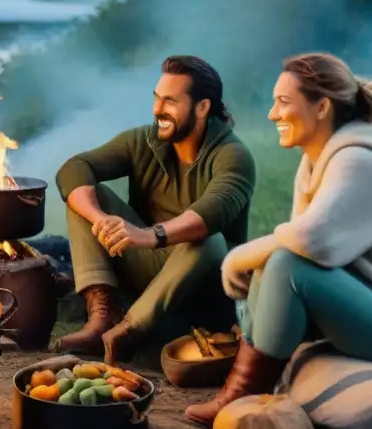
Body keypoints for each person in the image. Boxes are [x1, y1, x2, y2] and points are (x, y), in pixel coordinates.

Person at [185, 53, 372, 428]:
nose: (272, 114)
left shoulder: (359, 162)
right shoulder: (317, 160)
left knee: (287, 263)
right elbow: (305, 244)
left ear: (322, 107)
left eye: (284, 102)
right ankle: (246, 380)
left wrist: (237, 259)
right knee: (275, 262)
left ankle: (246, 391)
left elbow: (311, 243)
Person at [53, 55, 257, 364]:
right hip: (149, 266)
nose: (158, 109)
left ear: (202, 107)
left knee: (208, 237)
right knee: (87, 196)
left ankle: (130, 332)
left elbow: (213, 212)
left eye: (170, 101)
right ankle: (103, 316)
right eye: (157, 98)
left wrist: (149, 235)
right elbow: (75, 168)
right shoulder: (143, 141)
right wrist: (101, 219)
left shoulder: (233, 156)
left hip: (204, 284)